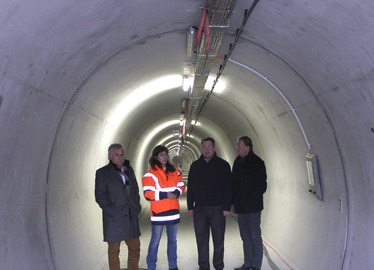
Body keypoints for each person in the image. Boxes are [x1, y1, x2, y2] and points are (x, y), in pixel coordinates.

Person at [187, 137, 232, 270]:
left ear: (214, 148)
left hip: (217, 209)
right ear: (201, 148)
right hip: (200, 209)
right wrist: (190, 206)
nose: (207, 150)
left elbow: (228, 188)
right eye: (204, 147)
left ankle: (218, 265)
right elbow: (191, 187)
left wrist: (227, 206)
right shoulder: (195, 166)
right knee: (201, 240)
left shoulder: (223, 165)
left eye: (210, 146)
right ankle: (203, 266)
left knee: (218, 240)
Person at [95, 143, 142, 270]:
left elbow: (135, 190)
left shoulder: (129, 170)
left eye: (122, 155)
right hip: (114, 219)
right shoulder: (102, 173)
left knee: (135, 248)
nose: (120, 158)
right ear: (110, 156)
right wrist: (112, 211)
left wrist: (136, 207)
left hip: (130, 216)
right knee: (114, 252)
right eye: (116, 155)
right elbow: (100, 196)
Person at [142, 145, 185, 270]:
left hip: (173, 212)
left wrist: (177, 192)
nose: (165, 157)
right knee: (155, 241)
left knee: (173, 241)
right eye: (161, 154)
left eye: (166, 154)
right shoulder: (150, 175)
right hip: (159, 213)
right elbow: (148, 194)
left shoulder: (175, 172)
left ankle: (173, 266)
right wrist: (165, 194)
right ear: (155, 157)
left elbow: (181, 185)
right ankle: (151, 266)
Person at [232, 136, 267, 270]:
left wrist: (247, 195)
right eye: (237, 146)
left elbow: (262, 187)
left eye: (239, 146)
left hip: (252, 208)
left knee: (254, 235)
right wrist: (233, 202)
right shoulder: (237, 162)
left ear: (248, 147)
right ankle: (248, 263)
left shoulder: (257, 163)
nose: (237, 148)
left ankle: (256, 265)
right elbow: (233, 184)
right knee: (245, 237)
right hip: (241, 208)